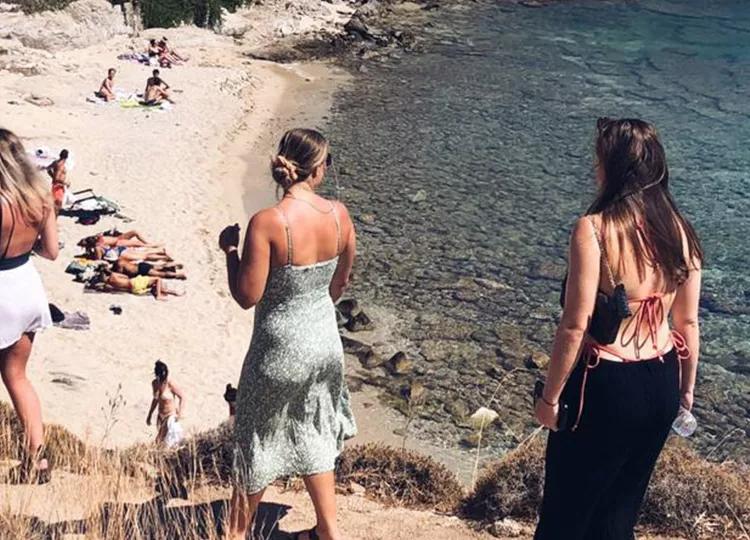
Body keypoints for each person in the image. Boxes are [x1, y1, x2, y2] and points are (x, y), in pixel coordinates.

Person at [533, 118, 702, 540]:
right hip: (661, 379)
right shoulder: (682, 231)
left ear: (613, 167)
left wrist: (550, 399)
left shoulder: (594, 229)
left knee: (565, 516)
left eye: (599, 159)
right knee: (618, 516)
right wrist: (684, 393)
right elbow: (688, 322)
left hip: (606, 383)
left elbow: (574, 325)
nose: (594, 168)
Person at [220, 128, 357, 540]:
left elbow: (247, 296)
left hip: (278, 348)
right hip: (323, 344)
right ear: (317, 169)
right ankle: (328, 530)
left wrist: (230, 252)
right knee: (315, 429)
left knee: (258, 437)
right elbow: (339, 286)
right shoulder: (340, 215)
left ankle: (235, 531)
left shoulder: (268, 222)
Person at [0, 128, 59, 483]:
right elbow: (52, 251)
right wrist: (27, 246)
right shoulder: (40, 198)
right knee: (18, 377)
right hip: (27, 286)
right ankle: (37, 457)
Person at [146, 360, 186, 447]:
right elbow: (155, 399)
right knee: (160, 441)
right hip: (161, 416)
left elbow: (182, 397)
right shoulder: (155, 384)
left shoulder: (170, 383)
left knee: (163, 441)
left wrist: (180, 412)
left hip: (170, 415)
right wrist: (150, 414)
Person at [87, 267, 183, 300]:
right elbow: (126, 277)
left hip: (133, 290)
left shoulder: (108, 285)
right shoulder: (113, 276)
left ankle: (173, 292)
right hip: (134, 283)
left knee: (154, 285)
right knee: (157, 279)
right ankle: (159, 295)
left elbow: (108, 289)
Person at [113, 257, 186, 280]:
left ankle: (178, 275)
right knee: (160, 267)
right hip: (140, 265)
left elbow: (123, 276)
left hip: (140, 270)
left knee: (160, 274)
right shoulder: (121, 260)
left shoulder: (118, 266)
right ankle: (174, 265)